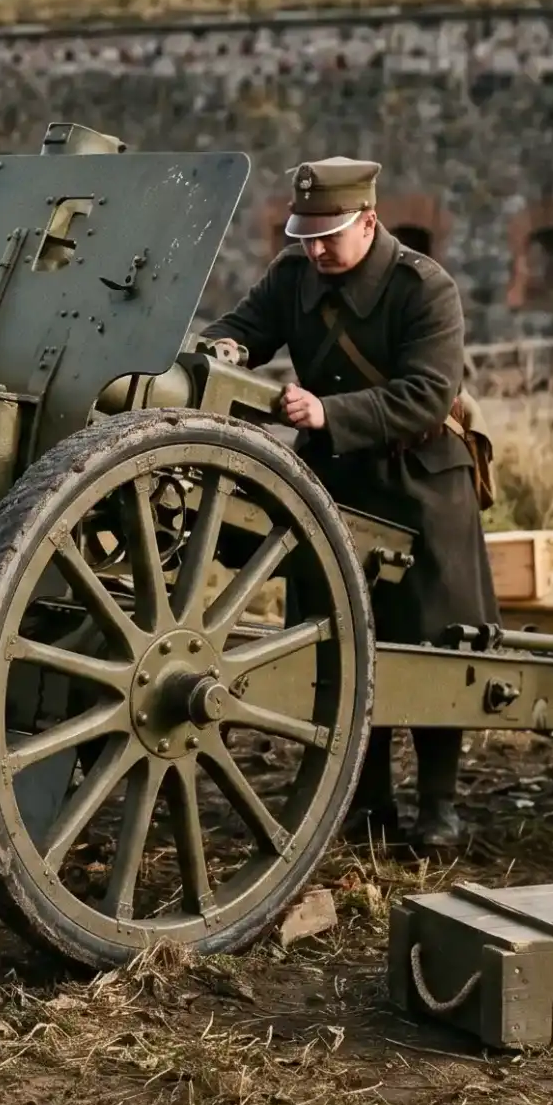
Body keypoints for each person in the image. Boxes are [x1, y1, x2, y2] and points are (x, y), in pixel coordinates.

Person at [202, 157, 499, 851]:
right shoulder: (293, 275)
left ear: (369, 221)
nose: (316, 248)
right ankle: (367, 800)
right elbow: (247, 326)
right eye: (305, 234)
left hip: (420, 481)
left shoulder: (424, 288)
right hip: (335, 479)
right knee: (338, 637)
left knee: (429, 642)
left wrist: (328, 411)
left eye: (329, 234)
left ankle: (439, 805)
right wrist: (225, 347)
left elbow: (428, 393)